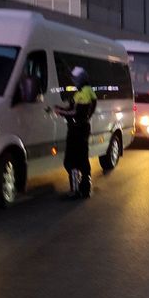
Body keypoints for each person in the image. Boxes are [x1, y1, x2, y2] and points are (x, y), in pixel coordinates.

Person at [55, 66, 97, 199]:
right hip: (81, 128)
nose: (73, 80)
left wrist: (61, 112)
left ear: (81, 79)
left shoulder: (84, 92)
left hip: (77, 129)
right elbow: (74, 108)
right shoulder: (86, 91)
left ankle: (76, 190)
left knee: (71, 161)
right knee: (82, 159)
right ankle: (84, 188)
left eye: (75, 78)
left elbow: (77, 112)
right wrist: (61, 109)